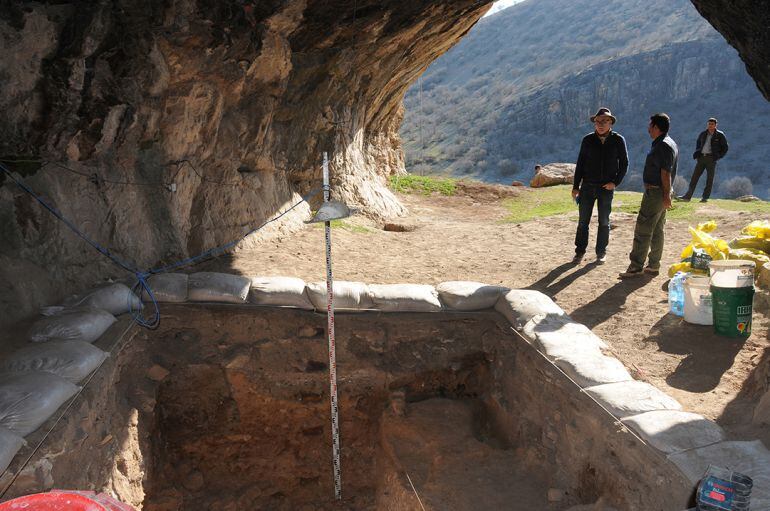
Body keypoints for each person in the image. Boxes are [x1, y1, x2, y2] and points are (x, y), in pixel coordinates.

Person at [620, 113, 678, 278]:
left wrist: (666, 195)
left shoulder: (663, 146)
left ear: (656, 127)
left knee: (643, 229)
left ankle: (636, 266)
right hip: (661, 192)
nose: (648, 129)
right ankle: (653, 265)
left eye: (650, 126)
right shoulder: (669, 143)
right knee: (657, 229)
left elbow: (665, 172)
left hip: (656, 193)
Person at [571, 107, 629, 264]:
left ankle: (601, 252)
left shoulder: (618, 140)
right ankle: (579, 252)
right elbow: (580, 164)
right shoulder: (587, 140)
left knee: (604, 221)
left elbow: (624, 164)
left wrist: (615, 183)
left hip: (606, 188)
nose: (601, 124)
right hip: (587, 186)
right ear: (594, 123)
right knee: (583, 221)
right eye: (598, 121)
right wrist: (576, 186)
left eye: (604, 121)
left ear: (611, 123)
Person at [678, 117, 728, 202]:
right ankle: (687, 196)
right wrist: (698, 154)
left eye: (712, 124)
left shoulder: (720, 135)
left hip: (711, 159)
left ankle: (705, 198)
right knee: (694, 178)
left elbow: (725, 147)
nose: (710, 125)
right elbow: (698, 144)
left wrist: (718, 156)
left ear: (716, 125)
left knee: (709, 179)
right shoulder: (703, 134)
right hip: (701, 158)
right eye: (709, 124)